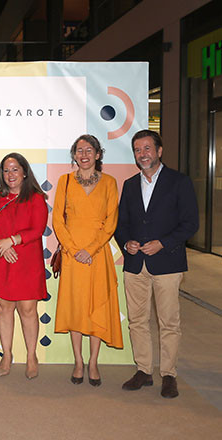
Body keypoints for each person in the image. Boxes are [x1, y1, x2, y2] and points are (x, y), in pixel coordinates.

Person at [115, 130, 198, 399]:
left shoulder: (179, 182)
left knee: (169, 322)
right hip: (135, 264)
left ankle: (169, 374)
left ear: (159, 151)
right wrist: (126, 242)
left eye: (147, 148)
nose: (143, 154)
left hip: (168, 263)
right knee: (137, 321)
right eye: (138, 150)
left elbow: (190, 223)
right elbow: (121, 224)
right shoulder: (129, 185)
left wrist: (163, 243)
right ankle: (143, 370)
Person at [53, 134, 122, 387]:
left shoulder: (110, 182)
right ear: (74, 155)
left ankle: (93, 362)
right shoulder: (64, 181)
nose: (84, 154)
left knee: (96, 306)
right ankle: (78, 361)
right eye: (79, 150)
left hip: (97, 254)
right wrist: (73, 250)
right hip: (72, 256)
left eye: (89, 150)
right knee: (76, 307)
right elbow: (58, 220)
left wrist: (90, 250)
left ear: (98, 154)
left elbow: (111, 222)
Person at [0, 153, 48, 379]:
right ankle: (7, 354)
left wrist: (12, 240)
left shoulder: (36, 198)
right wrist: (1, 246)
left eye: (15, 169)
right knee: (4, 308)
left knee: (28, 310)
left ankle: (31, 356)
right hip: (2, 258)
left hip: (27, 260)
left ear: (24, 172)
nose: (10, 174)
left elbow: (37, 229)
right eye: (6, 170)